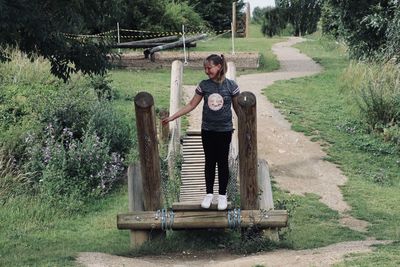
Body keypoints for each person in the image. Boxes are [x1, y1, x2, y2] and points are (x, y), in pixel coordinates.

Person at [162, 54, 240, 210]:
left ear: (219, 66)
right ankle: (209, 194)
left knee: (222, 162)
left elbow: (239, 110)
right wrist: (173, 117)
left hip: (224, 131)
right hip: (208, 130)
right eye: (205, 68)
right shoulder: (204, 85)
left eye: (209, 67)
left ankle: (223, 195)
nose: (206, 71)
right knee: (210, 161)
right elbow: (191, 104)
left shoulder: (231, 86)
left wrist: (246, 127)